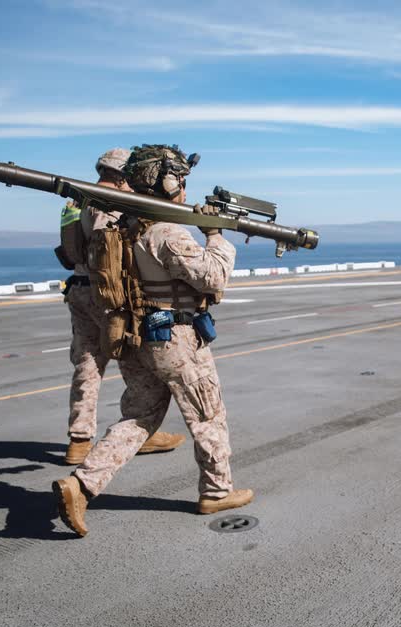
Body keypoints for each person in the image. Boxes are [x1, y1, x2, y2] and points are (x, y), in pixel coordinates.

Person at [53, 144, 253, 537]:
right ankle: (216, 490)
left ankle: (81, 484)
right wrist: (216, 235)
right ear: (163, 180)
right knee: (208, 414)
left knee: (140, 417)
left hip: (136, 334)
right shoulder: (164, 232)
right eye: (179, 177)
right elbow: (213, 279)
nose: (182, 185)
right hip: (176, 339)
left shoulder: (121, 224)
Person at [59, 148, 185, 464]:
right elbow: (111, 253)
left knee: (88, 364)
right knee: (134, 361)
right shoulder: (108, 205)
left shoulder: (80, 201)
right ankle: (141, 429)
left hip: (79, 289)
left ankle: (79, 439)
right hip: (106, 295)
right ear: (120, 174)